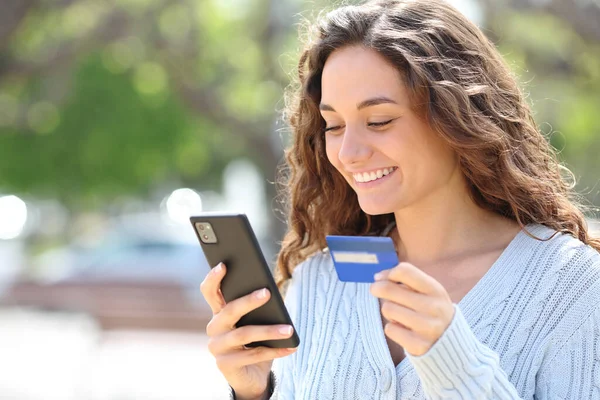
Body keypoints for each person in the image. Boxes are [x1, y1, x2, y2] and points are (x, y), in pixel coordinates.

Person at [200, 0, 600, 398]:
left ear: (458, 117)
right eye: (334, 125)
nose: (349, 152)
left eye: (379, 121)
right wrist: (255, 392)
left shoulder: (572, 287)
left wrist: (454, 363)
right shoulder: (320, 280)